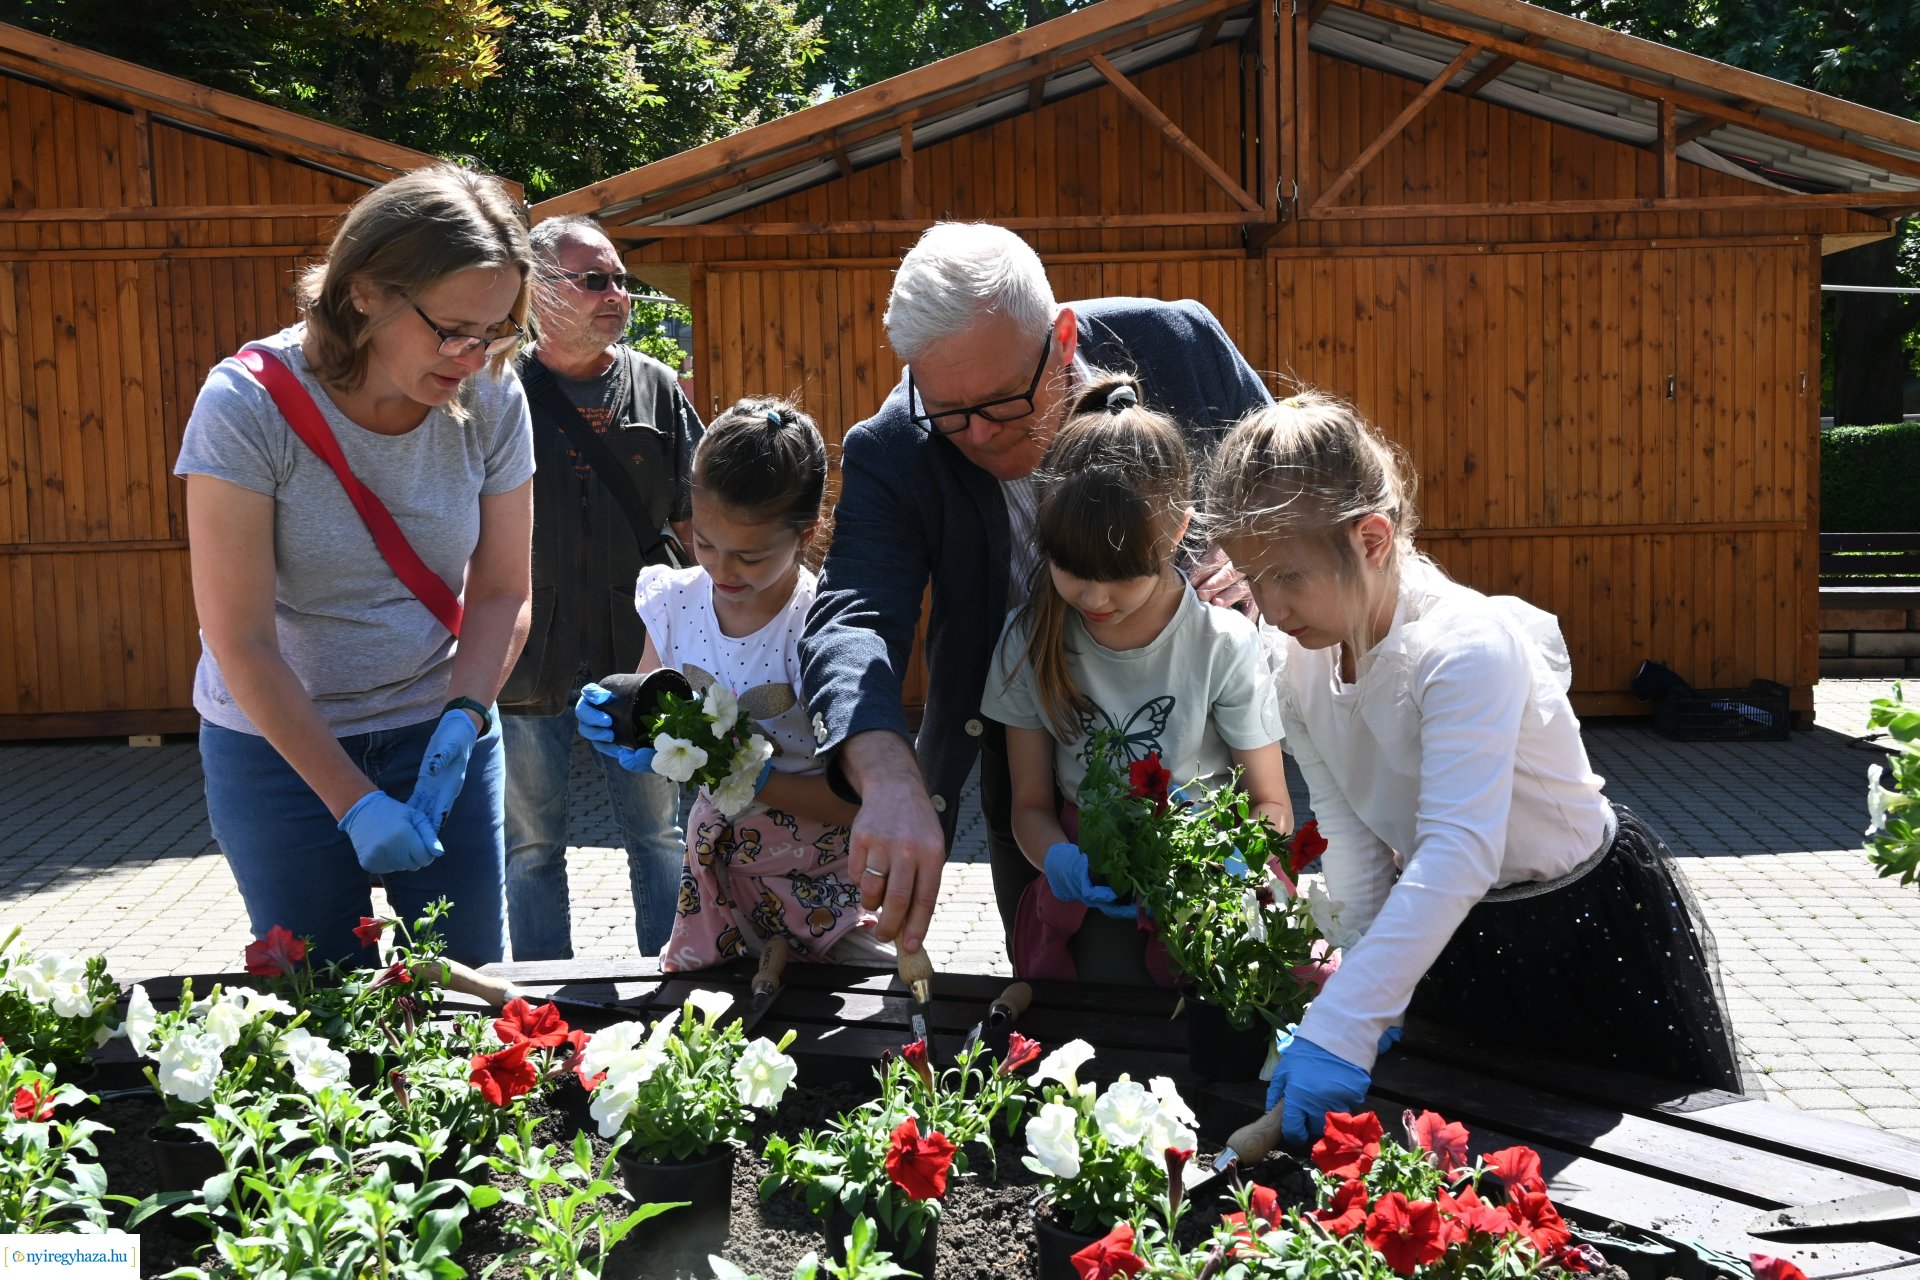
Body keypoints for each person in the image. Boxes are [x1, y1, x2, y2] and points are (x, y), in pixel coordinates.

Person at [1201, 390, 1744, 1143]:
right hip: (1454, 933)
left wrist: (1347, 1023)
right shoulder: (1298, 663)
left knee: (1622, 1171)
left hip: (1581, 931)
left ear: (1371, 539)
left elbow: (1460, 847)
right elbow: (1356, 841)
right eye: (1253, 578)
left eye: (1288, 575)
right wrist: (1364, 992)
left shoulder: (1464, 649)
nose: (1269, 602)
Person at [798, 222, 1272, 958]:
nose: (979, 436)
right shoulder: (894, 446)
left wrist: (1257, 561)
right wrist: (888, 769)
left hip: (1221, 747)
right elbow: (853, 615)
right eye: (948, 413)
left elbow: (1293, 489)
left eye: (1001, 403)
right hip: (1034, 773)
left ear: (1062, 337)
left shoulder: (1180, 347)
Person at [176, 165, 535, 966]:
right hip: (277, 750)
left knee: (471, 997)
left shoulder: (495, 399)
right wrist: (352, 801)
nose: (475, 357)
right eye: (453, 330)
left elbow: (504, 589)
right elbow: (240, 638)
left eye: (499, 330)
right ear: (366, 290)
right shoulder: (244, 405)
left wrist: (462, 722)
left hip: (437, 724)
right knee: (318, 1012)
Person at [982, 378, 1291, 984]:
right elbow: (1029, 807)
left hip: (1202, 872)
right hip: (1091, 877)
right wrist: (1061, 861)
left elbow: (1272, 803)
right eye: (1072, 569)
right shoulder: (1028, 641)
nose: (1095, 597)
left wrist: (1233, 863)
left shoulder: (1222, 643)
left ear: (1178, 530)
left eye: (1122, 573)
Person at [575, 399, 875, 969]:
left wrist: (755, 779)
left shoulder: (824, 628)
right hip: (718, 883)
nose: (721, 570)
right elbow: (651, 694)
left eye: (750, 556)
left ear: (807, 532)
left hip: (823, 885)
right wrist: (623, 722)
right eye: (706, 543)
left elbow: (861, 804)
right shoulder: (674, 602)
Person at [496, 215, 704, 960]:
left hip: (639, 657)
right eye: (594, 280)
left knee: (659, 836)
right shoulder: (497, 392)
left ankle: (674, 988)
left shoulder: (656, 386)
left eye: (620, 279)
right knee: (529, 849)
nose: (616, 294)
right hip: (526, 656)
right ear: (542, 292)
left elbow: (697, 516)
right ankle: (542, 1008)